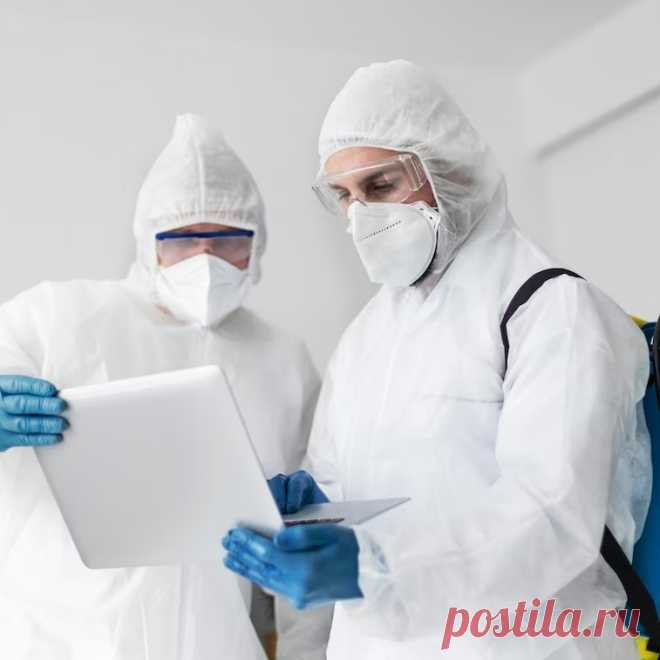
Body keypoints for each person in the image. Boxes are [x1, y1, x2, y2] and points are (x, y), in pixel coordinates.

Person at [223, 61, 652, 658]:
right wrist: (312, 507)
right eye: (344, 196)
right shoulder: (364, 338)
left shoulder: (547, 307)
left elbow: (551, 517)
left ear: (450, 171)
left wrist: (378, 568)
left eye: (380, 186)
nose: (360, 216)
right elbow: (352, 489)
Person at [0, 114, 320, 659]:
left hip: (214, 642)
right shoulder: (57, 317)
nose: (205, 260)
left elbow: (308, 540)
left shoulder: (282, 361)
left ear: (256, 245)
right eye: (182, 239)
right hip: (62, 640)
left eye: (227, 240)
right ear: (148, 242)